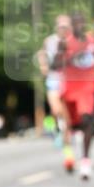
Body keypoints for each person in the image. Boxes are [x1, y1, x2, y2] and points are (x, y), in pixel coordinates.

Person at [55, 12, 94, 180]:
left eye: (82, 23)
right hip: (69, 90)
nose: (80, 26)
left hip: (87, 88)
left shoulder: (92, 41)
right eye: (76, 24)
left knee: (87, 120)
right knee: (70, 126)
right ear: (72, 26)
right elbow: (55, 64)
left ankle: (86, 161)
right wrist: (70, 57)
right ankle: (69, 154)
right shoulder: (64, 42)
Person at [36, 14, 71, 147]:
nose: (63, 29)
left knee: (66, 109)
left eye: (66, 27)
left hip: (69, 80)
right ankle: (57, 130)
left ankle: (66, 132)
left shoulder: (73, 41)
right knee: (56, 109)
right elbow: (42, 54)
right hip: (53, 78)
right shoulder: (50, 40)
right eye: (61, 26)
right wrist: (43, 65)